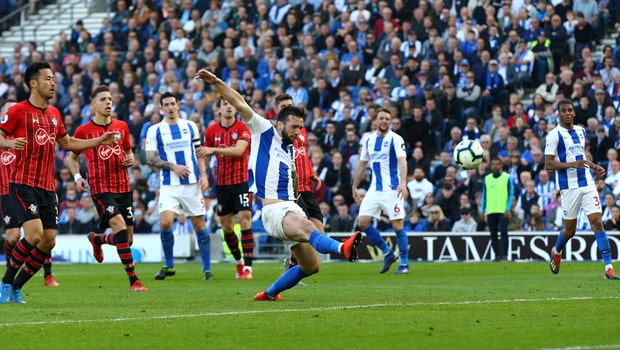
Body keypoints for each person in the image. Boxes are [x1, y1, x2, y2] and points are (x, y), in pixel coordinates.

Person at [196, 68, 362, 301]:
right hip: (274, 211)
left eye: (301, 127)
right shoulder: (263, 130)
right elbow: (240, 102)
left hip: (290, 207)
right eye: (294, 127)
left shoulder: (291, 149)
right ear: (281, 125)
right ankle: (342, 248)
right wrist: (215, 82)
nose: (298, 132)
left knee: (311, 266)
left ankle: (270, 293)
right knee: (308, 229)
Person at [0, 62, 118, 304]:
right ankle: (5, 283)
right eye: (47, 79)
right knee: (33, 235)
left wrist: (98, 142)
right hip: (23, 183)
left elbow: (67, 143)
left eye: (53, 79)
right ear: (33, 83)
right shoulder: (17, 111)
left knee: (49, 240)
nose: (53, 83)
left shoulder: (54, 114)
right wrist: (9, 144)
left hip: (47, 186)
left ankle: (17, 287)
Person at [66, 85, 148, 292]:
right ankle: (134, 281)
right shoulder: (83, 131)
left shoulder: (121, 126)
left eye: (110, 99)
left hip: (123, 187)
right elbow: (72, 157)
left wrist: (130, 158)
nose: (108, 102)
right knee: (119, 228)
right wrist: (77, 177)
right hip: (101, 189)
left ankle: (97, 239)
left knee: (127, 239)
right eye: (103, 99)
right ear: (94, 105)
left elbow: (129, 152)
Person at [546, 99, 618, 280]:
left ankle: (609, 267)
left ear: (574, 112)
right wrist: (572, 164)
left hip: (587, 183)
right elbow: (548, 164)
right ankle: (557, 250)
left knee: (597, 222)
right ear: (559, 114)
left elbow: (581, 156)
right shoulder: (554, 135)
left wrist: (593, 166)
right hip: (568, 188)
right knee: (570, 231)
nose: (568, 113)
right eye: (564, 111)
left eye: (570, 110)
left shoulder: (581, 131)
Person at [145, 92, 213, 281]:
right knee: (166, 222)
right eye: (166, 104)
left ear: (178, 105)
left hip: (192, 184)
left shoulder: (190, 126)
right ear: (161, 108)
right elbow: (150, 158)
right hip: (169, 185)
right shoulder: (155, 130)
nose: (170, 107)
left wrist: (204, 174)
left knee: (199, 226)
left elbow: (199, 153)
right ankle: (169, 265)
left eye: (173, 103)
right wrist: (172, 166)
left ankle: (207, 269)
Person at [0, 99, 59, 288]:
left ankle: (41, 276)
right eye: (7, 110)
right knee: (15, 235)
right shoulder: (5, 140)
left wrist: (51, 187)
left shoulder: (28, 136)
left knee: (46, 237)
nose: (12, 112)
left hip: (39, 188)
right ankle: (9, 278)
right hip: (8, 192)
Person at [198, 96, 254, 280]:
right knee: (227, 227)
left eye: (232, 104)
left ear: (236, 109)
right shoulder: (212, 130)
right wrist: (203, 174)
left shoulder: (243, 128)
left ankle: (248, 268)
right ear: (219, 109)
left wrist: (213, 150)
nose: (229, 107)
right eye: (225, 104)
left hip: (241, 182)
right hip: (221, 184)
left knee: (245, 220)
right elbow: (203, 154)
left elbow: (238, 151)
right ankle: (238, 262)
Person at [351, 107, 410, 275]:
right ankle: (387, 252)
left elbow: (402, 161)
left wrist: (403, 182)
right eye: (381, 118)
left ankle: (404, 264)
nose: (384, 121)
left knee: (397, 224)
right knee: (362, 222)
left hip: (393, 189)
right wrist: (355, 186)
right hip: (374, 190)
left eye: (387, 119)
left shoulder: (396, 139)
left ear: (390, 122)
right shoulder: (369, 140)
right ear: (376, 121)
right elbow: (362, 164)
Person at [275, 94, 325, 277]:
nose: (287, 108)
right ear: (277, 111)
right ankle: (294, 267)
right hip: (292, 189)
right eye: (283, 106)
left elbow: (303, 154)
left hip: (307, 186)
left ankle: (295, 265)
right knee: (303, 234)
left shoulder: (300, 130)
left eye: (290, 105)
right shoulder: (275, 134)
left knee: (320, 233)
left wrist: (312, 173)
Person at [480, 157, 515, 262]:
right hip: (491, 210)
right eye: (493, 164)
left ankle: (504, 255)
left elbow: (511, 194)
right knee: (493, 234)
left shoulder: (507, 177)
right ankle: (496, 256)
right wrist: (482, 210)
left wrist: (508, 209)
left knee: (504, 232)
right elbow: (484, 195)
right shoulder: (487, 178)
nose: (495, 166)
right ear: (490, 166)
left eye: (497, 164)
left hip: (502, 210)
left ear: (501, 166)